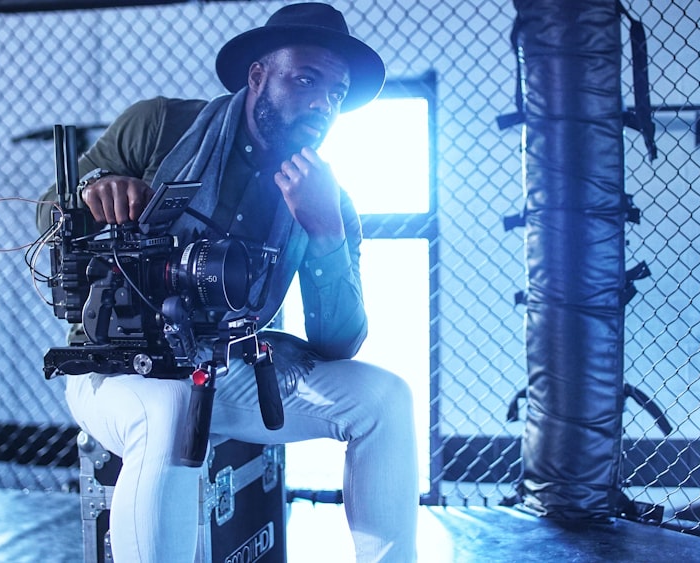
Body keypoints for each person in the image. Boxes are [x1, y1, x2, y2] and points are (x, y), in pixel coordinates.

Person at [37, 3, 418, 562]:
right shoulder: (163, 126)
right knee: (169, 407)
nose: (322, 103)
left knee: (385, 397)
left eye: (336, 94)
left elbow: (338, 343)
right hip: (115, 369)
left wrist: (325, 232)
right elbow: (50, 214)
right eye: (306, 80)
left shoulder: (325, 197)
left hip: (224, 366)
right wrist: (100, 188)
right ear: (258, 76)